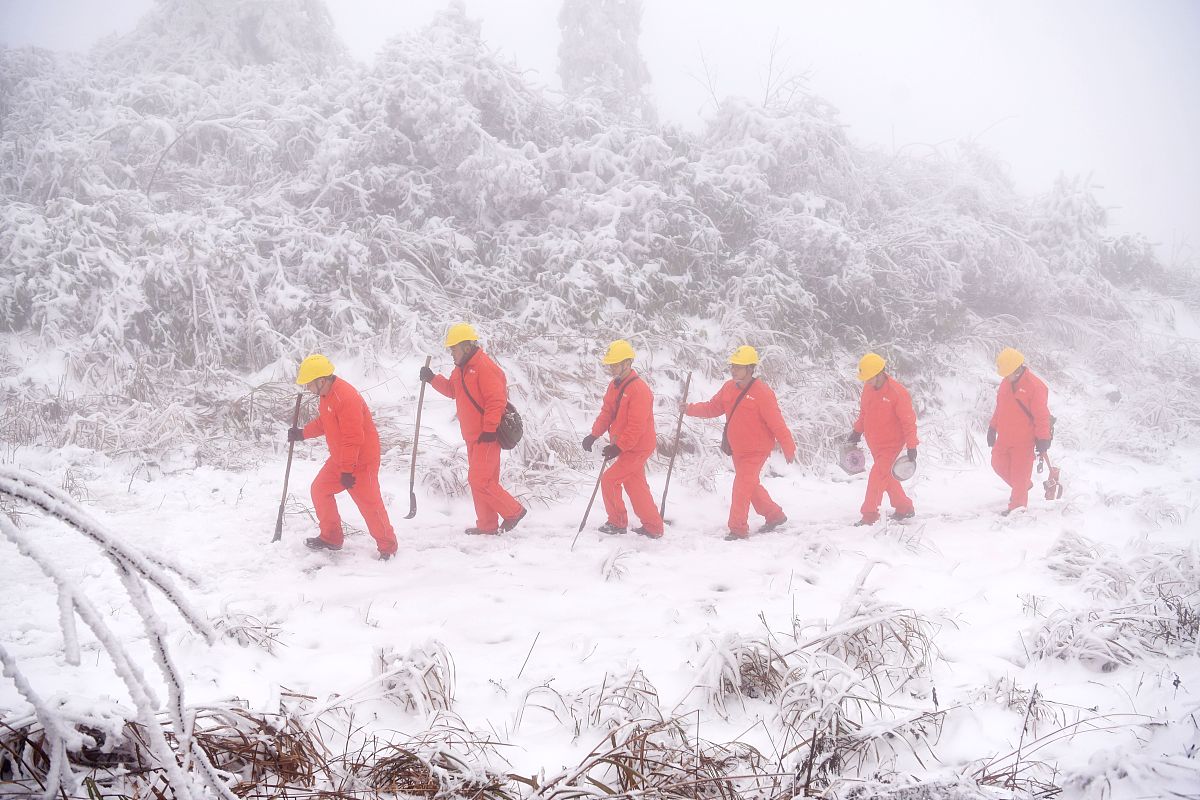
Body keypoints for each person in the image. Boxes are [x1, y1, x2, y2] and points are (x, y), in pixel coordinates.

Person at [420, 323, 527, 535]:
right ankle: (487, 525)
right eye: (451, 349)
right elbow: (453, 390)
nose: (452, 353)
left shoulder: (485, 367)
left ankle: (514, 511)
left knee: (480, 480)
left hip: (487, 437)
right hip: (472, 436)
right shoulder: (461, 370)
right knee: (482, 481)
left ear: (467, 347)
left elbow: (496, 400)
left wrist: (489, 430)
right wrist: (432, 379)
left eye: (454, 349)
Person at [288, 354, 398, 560]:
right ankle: (331, 537)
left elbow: (353, 438)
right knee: (320, 489)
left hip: (361, 460)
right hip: (342, 457)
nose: (308, 389)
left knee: (370, 505)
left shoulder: (346, 398)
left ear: (322, 380)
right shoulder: (326, 396)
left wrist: (347, 470)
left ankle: (388, 547)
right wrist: (303, 433)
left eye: (309, 384)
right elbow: (325, 422)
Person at [684, 345, 796, 540]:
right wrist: (688, 409)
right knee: (750, 485)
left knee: (741, 486)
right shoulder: (728, 388)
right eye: (732, 366)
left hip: (757, 451)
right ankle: (774, 515)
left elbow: (777, 423)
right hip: (737, 450)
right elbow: (712, 408)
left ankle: (737, 528)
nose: (733, 370)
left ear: (751, 369)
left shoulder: (762, 393)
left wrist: (788, 446)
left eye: (738, 367)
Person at [583, 340, 665, 539]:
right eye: (610, 364)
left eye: (615, 364)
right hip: (626, 446)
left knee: (609, 480)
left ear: (627, 363)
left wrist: (618, 447)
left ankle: (617, 522)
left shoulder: (639, 390)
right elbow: (607, 412)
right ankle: (653, 527)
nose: (611, 368)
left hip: (638, 447)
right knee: (635, 486)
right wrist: (594, 434)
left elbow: (636, 426)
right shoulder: (615, 385)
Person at [846, 353, 918, 526]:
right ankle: (904, 507)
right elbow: (864, 413)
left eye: (870, 378)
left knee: (877, 477)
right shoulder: (868, 389)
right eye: (865, 379)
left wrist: (912, 445)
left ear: (880, 374)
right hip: (875, 444)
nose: (867, 382)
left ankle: (869, 514)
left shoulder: (897, 393)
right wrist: (857, 432)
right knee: (887, 478)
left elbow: (908, 421)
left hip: (891, 445)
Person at [988, 347, 1052, 515]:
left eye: (1006, 374)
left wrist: (1043, 438)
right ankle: (1023, 485)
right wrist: (992, 427)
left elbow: (1042, 415)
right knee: (997, 463)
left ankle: (1017, 509)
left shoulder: (1035, 387)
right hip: (1004, 437)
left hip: (1024, 441)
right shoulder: (1006, 383)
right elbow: (1000, 407)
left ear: (1016, 370)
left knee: (1019, 474)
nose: (1004, 378)